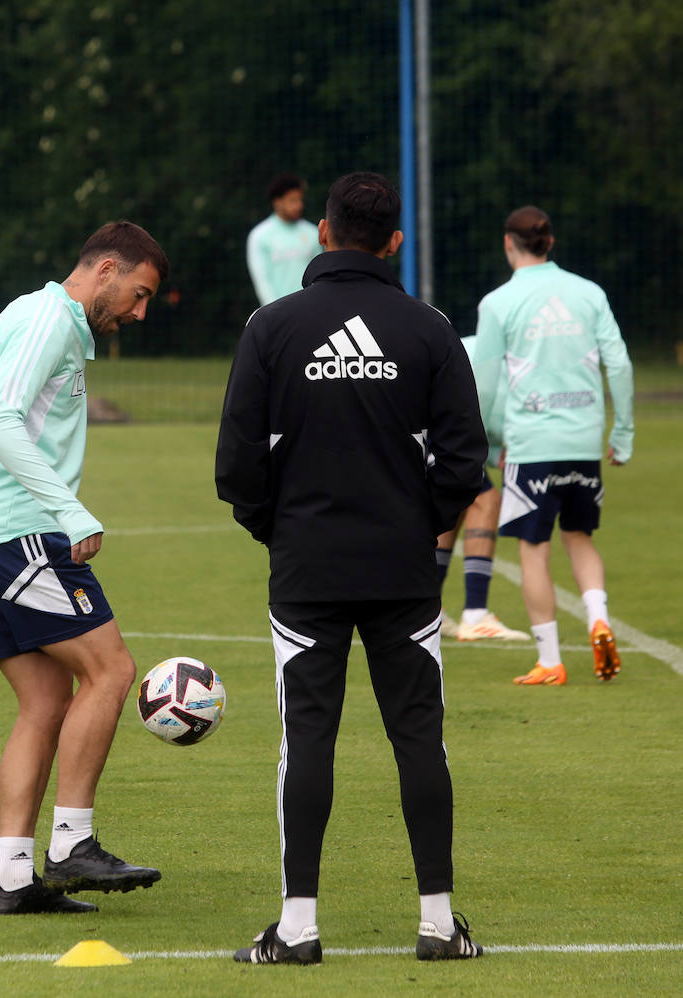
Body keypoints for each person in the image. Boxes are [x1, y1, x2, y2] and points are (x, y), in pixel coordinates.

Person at [216, 172, 486, 963]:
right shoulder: (429, 329)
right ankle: (439, 924)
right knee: (420, 741)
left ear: (324, 234)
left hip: (306, 570)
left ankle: (297, 929)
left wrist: (279, 529)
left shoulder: (272, 326)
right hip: (405, 570)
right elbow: (465, 458)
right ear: (393, 242)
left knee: (307, 742)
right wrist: (426, 528)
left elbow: (237, 464)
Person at [0, 221, 167, 916]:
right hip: (22, 536)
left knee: (44, 703)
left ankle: (13, 878)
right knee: (110, 670)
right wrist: (70, 512)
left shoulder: (47, 318)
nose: (138, 313)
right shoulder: (49, 317)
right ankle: (72, 841)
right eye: (138, 295)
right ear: (105, 268)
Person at [469, 206, 634, 686]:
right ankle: (598, 618)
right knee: (579, 537)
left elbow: (485, 385)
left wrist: (485, 442)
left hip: (532, 442)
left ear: (508, 244)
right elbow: (619, 364)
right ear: (550, 242)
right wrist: (620, 433)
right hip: (584, 439)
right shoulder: (589, 293)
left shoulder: (499, 303)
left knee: (533, 547)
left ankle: (550, 660)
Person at [436, 336, 529, 641]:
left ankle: (428, 607)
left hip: (422, 428)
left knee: (457, 504)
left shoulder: (481, 346)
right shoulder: (518, 365)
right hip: (434, 429)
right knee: (485, 500)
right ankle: (476, 613)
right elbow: (481, 416)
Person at [246, 173, 322, 306]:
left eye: (300, 200)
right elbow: (262, 281)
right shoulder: (259, 236)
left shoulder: (312, 232)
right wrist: (275, 313)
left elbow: (320, 276)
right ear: (277, 202)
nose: (299, 206)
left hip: (312, 310)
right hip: (279, 314)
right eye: (292, 200)